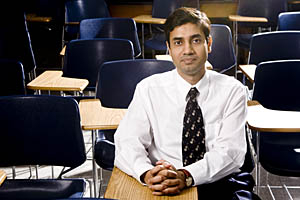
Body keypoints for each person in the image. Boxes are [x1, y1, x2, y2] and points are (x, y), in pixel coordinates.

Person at [114, 7, 260, 199]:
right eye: (178, 42)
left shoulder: (233, 91)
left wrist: (186, 176)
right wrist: (147, 173)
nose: (188, 50)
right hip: (161, 181)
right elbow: (127, 141)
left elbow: (230, 152)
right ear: (169, 48)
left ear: (209, 44)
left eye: (196, 40)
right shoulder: (148, 89)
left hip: (219, 180)